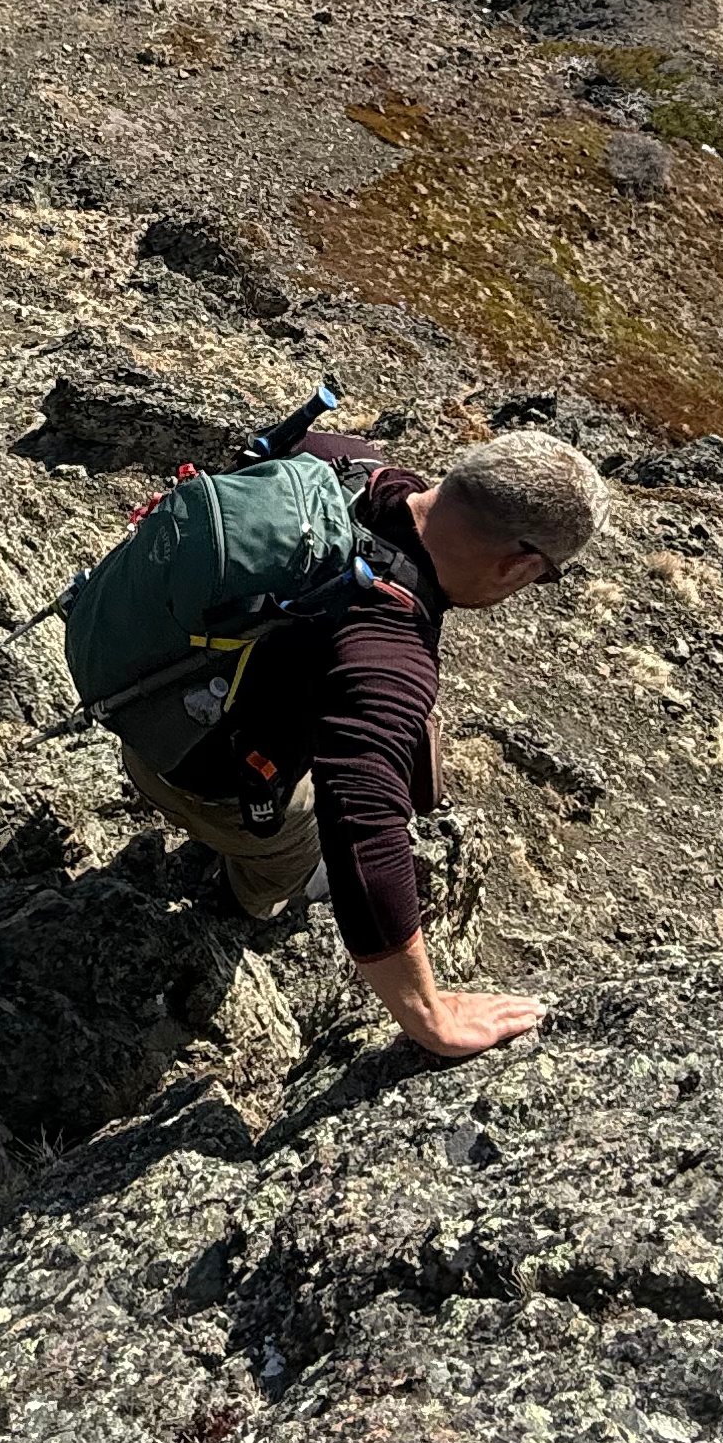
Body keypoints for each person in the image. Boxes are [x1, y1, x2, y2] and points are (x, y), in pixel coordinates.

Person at [119, 427, 605, 1058]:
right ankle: (246, 899)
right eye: (543, 579)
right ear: (519, 565)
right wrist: (429, 1015)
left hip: (144, 706)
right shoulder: (388, 655)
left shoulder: (341, 463)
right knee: (297, 848)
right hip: (204, 783)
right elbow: (363, 828)